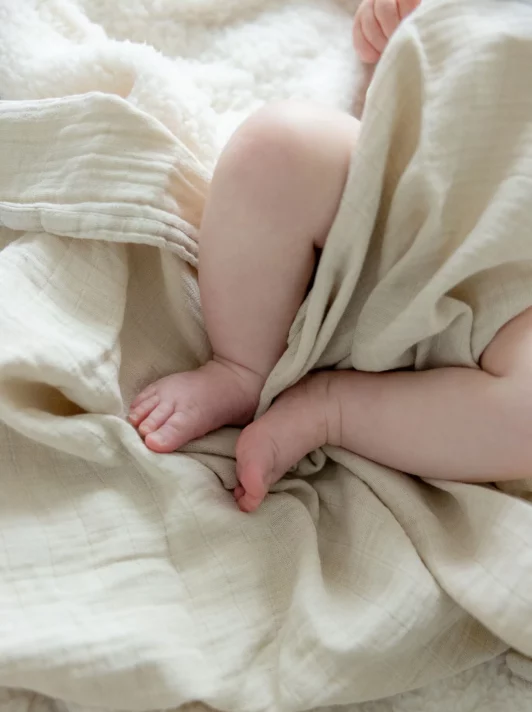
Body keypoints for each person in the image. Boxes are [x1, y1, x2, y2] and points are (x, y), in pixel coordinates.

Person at [131, 0, 532, 513]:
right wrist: (392, 16)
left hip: (509, 303)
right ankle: (242, 367)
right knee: (276, 148)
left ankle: (332, 411)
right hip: (404, 194)